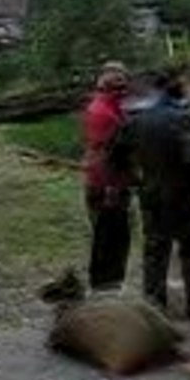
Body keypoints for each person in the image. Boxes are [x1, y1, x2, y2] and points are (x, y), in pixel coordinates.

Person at [108, 65, 190, 320]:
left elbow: (115, 156)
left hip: (152, 193)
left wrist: (134, 178)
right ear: (174, 88)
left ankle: (154, 304)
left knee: (155, 250)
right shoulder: (184, 118)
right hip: (185, 195)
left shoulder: (136, 121)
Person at [80, 61, 132, 291]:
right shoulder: (104, 113)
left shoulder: (112, 108)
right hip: (106, 184)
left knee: (115, 236)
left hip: (109, 180)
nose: (124, 90)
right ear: (107, 86)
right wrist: (111, 187)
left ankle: (109, 283)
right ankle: (105, 286)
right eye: (119, 86)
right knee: (109, 237)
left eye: (124, 85)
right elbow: (106, 154)